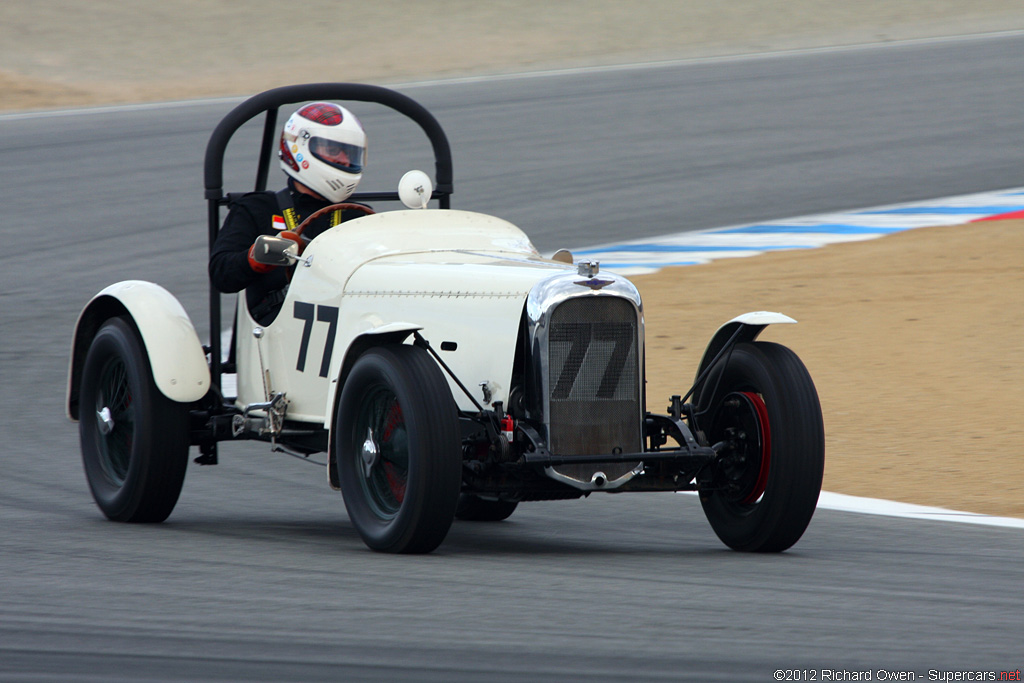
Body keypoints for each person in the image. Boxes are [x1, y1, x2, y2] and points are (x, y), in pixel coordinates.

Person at [209, 101, 367, 324]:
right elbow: (221, 275)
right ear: (300, 149)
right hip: (277, 326)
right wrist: (258, 256)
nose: (344, 159)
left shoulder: (359, 217)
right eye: (333, 150)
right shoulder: (258, 208)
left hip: (347, 320)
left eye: (350, 153)